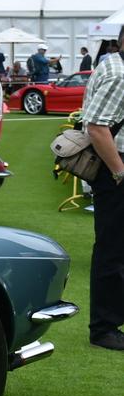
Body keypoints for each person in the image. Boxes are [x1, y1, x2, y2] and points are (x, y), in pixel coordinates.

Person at [79, 29, 124, 352]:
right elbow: (96, 126)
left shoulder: (110, 64)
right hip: (114, 168)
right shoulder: (119, 73)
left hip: (113, 167)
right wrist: (120, 172)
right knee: (112, 249)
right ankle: (104, 327)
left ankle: (108, 321)